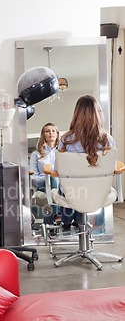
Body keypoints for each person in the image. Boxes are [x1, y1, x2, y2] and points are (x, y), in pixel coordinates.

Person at [57, 94, 115, 231]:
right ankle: (84, 226)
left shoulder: (66, 140)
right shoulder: (108, 140)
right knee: (88, 190)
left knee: (70, 189)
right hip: (99, 192)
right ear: (98, 114)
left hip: (72, 193)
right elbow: (113, 167)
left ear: (76, 114)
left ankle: (68, 224)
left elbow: (57, 170)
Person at [29, 122, 60, 225]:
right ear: (44, 135)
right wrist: (46, 178)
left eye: (53, 131)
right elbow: (33, 177)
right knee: (52, 178)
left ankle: (49, 223)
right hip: (43, 185)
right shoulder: (36, 154)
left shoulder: (62, 152)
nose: (51, 133)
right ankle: (57, 215)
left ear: (57, 134)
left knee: (56, 182)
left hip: (62, 184)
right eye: (47, 131)